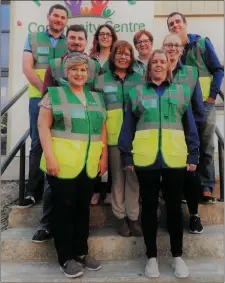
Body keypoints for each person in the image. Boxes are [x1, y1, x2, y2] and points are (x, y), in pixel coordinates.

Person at [118, 49, 200, 278]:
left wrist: (193, 153)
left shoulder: (181, 92)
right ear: (149, 66)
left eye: (162, 61)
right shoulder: (137, 93)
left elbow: (190, 125)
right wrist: (126, 154)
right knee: (150, 208)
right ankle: (151, 258)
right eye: (154, 61)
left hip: (174, 157)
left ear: (168, 66)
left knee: (174, 208)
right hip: (146, 158)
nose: (158, 64)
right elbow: (128, 126)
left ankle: (177, 257)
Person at [38, 54, 107, 278]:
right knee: (64, 211)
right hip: (62, 165)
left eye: (83, 70)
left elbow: (102, 129)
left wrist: (103, 156)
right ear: (66, 73)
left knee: (81, 211)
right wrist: (50, 157)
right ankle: (65, 258)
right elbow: (42, 125)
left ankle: (81, 252)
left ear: (88, 74)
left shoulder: (95, 98)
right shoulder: (54, 95)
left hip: (87, 166)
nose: (79, 73)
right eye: (74, 69)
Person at [32, 24, 102, 242]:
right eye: (72, 38)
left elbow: (96, 95)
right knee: (53, 185)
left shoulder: (94, 66)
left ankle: (77, 238)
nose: (76, 42)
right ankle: (47, 224)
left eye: (80, 39)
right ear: (67, 40)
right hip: (60, 134)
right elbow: (47, 95)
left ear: (86, 42)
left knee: (79, 193)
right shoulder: (54, 65)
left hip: (85, 137)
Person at [167, 12, 224, 203]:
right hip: (183, 106)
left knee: (206, 144)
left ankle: (207, 186)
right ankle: (188, 186)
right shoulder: (171, 51)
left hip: (205, 105)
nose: (175, 25)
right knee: (186, 145)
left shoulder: (201, 43)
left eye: (177, 22)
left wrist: (212, 96)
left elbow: (217, 69)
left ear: (185, 24)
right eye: (171, 24)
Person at [94, 40, 143, 237]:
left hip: (135, 139)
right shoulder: (100, 80)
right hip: (113, 139)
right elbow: (98, 113)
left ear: (131, 58)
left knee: (134, 178)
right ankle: (120, 217)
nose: (123, 57)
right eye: (119, 53)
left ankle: (134, 217)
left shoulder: (140, 79)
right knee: (118, 179)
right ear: (113, 56)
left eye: (127, 54)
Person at [162, 33, 204, 234]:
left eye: (176, 45)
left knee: (191, 175)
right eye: (168, 44)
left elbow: (197, 108)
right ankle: (171, 216)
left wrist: (193, 138)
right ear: (162, 47)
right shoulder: (156, 68)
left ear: (182, 49)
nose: (172, 48)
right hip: (160, 133)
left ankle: (194, 215)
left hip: (185, 132)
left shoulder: (191, 72)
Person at [89, 24, 118, 205]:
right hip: (94, 109)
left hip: (113, 108)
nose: (105, 37)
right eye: (102, 34)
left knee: (114, 154)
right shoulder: (90, 60)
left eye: (108, 34)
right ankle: (95, 189)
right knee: (96, 151)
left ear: (113, 38)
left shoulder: (116, 60)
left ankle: (109, 190)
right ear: (97, 38)